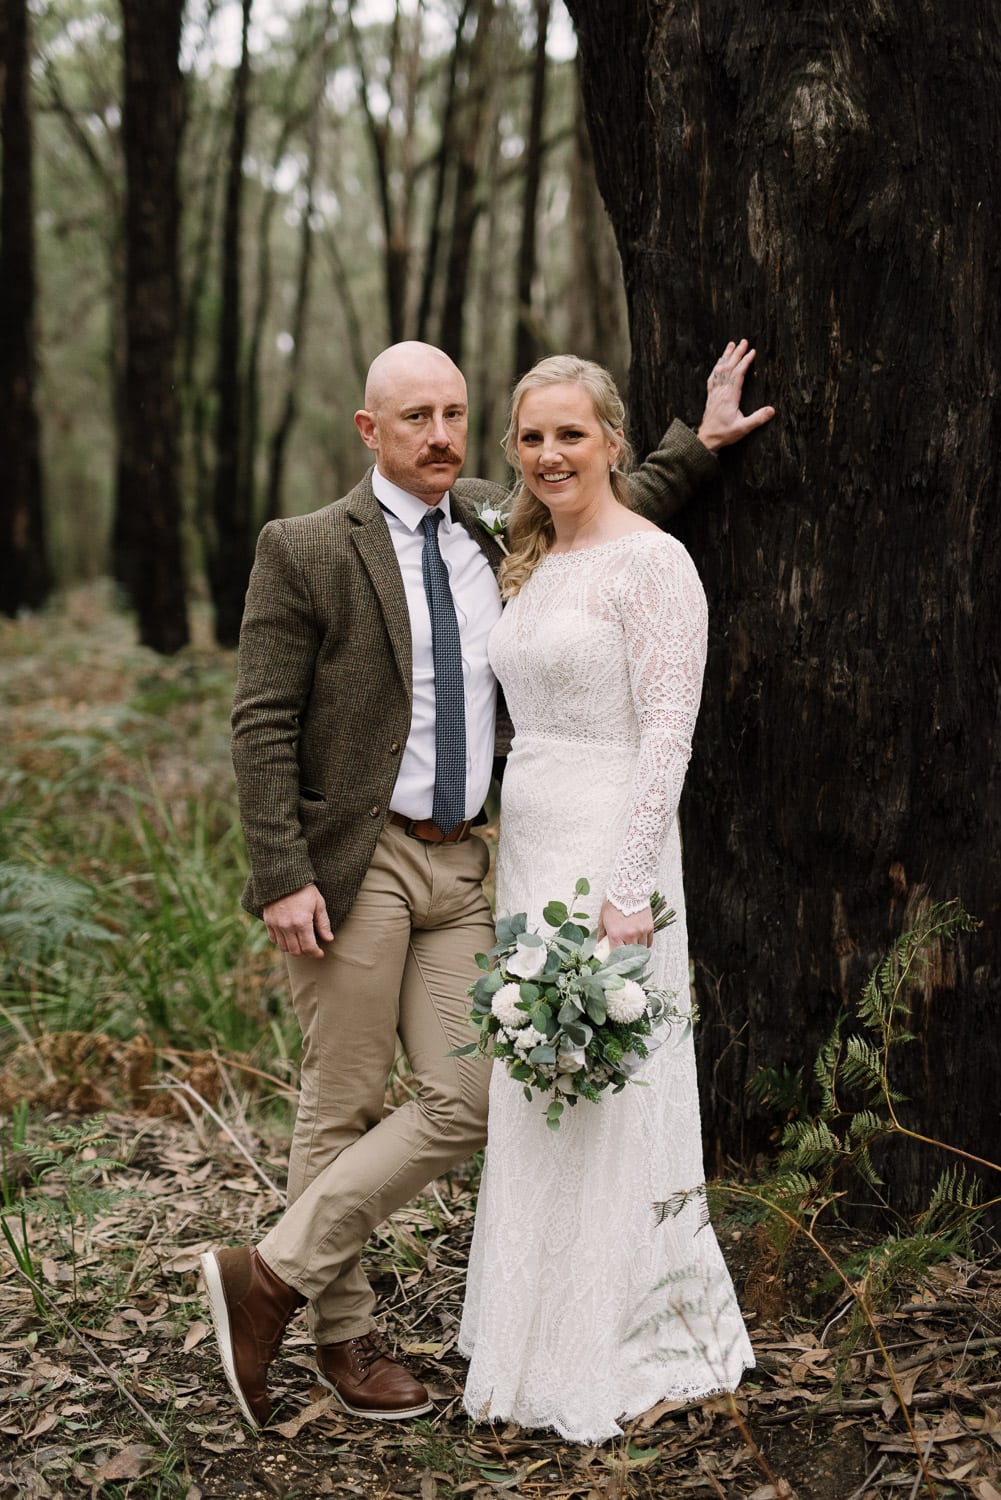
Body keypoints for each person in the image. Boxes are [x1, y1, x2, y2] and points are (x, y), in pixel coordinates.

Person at [200, 339, 772, 1432]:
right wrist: (280, 873)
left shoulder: (491, 527)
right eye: (414, 416)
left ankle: (266, 1271)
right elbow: (261, 719)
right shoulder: (309, 547)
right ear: (370, 429)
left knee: (473, 1094)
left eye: (456, 414)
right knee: (344, 1095)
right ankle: (338, 1329)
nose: (439, 435)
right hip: (355, 861)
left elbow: (604, 496)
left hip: (474, 862)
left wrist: (695, 441)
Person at [459, 355, 763, 1443]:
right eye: (531, 438)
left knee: (616, 1077)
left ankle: (632, 1334)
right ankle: (528, 1331)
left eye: (571, 437)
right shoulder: (525, 553)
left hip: (610, 849)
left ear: (613, 443)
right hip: (529, 843)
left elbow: (667, 730)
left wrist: (630, 886)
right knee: (540, 1074)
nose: (548, 455)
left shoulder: (655, 564)